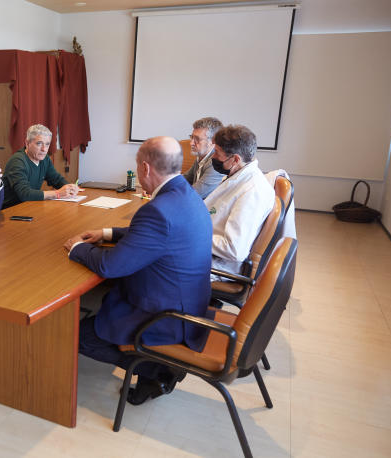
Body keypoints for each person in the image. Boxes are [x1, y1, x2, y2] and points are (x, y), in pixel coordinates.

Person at [63, 136, 213, 405]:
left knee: (76, 334)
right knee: (101, 300)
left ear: (144, 168)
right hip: (190, 303)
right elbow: (156, 235)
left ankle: (158, 370)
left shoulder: (158, 211)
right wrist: (107, 232)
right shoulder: (185, 194)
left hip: (167, 317)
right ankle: (155, 369)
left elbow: (110, 266)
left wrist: (76, 248)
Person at [204, 125, 275, 275]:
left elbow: (234, 248)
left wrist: (191, 234)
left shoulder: (252, 191)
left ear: (235, 159)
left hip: (218, 266)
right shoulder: (237, 176)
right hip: (208, 251)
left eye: (217, 153)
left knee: (154, 264)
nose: (213, 157)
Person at [2, 124, 79, 208]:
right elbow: (24, 194)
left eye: (47, 144)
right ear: (27, 143)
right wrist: (57, 193)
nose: (44, 149)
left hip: (29, 206)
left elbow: (56, 179)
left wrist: (69, 188)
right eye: (39, 144)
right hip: (10, 210)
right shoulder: (17, 161)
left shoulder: (44, 159)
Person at [183, 116, 224, 199]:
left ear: (213, 141)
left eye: (197, 139)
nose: (191, 143)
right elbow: (185, 179)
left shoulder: (216, 163)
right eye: (192, 137)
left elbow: (193, 195)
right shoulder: (201, 156)